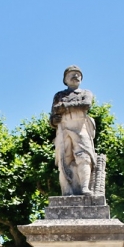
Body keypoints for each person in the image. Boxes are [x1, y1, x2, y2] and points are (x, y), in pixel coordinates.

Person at [50, 65, 97, 196]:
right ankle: (67, 191)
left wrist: (64, 106)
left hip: (80, 127)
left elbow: (86, 104)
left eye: (78, 74)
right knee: (64, 160)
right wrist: (54, 120)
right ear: (65, 79)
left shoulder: (86, 93)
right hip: (63, 128)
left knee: (84, 156)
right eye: (72, 73)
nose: (76, 76)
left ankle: (84, 187)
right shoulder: (59, 95)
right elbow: (52, 117)